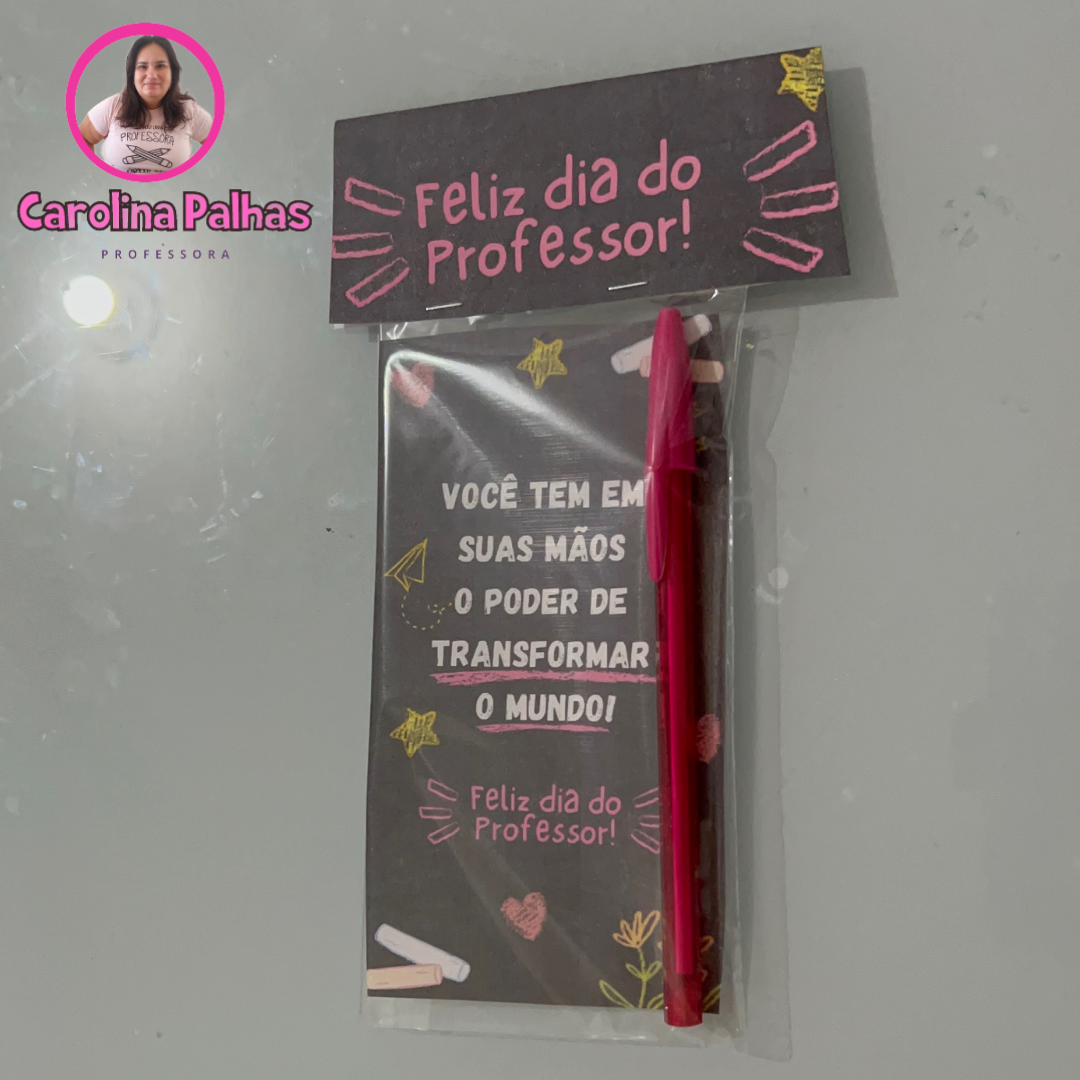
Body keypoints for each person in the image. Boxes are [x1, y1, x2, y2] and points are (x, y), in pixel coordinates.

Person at [79, 36, 212, 175]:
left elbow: (219, 142)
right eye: (142, 66)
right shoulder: (112, 106)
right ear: (132, 74)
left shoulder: (189, 111)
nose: (152, 75)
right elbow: (82, 139)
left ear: (172, 73)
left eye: (160, 66)